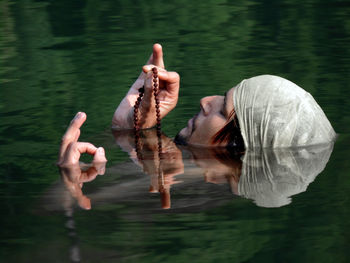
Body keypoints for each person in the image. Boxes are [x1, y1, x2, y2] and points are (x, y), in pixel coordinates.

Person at [112, 43, 336, 149]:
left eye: (222, 111)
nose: (205, 101)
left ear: (241, 145)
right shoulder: (187, 173)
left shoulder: (193, 190)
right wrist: (132, 126)